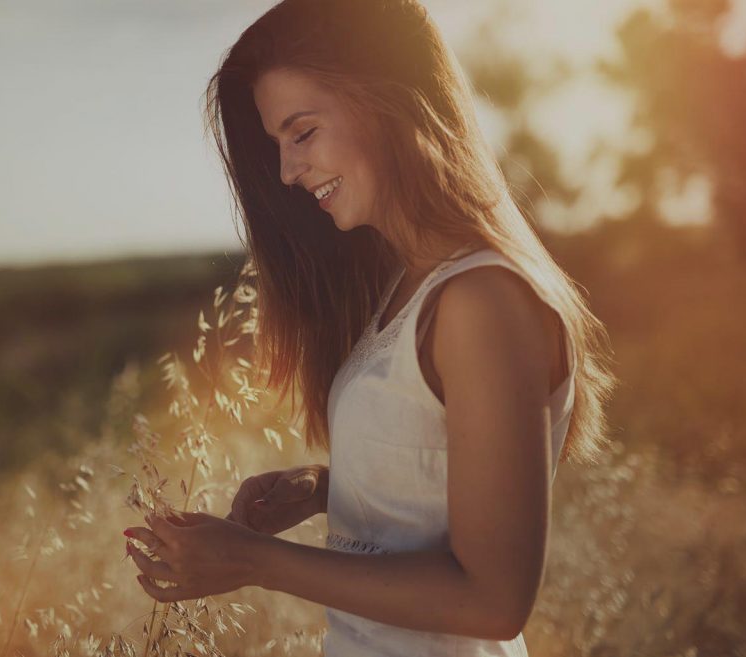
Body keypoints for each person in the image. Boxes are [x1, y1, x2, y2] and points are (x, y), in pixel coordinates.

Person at [122, 0, 618, 654]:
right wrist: (328, 489)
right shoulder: (405, 288)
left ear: (391, 101)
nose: (286, 173)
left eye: (302, 133)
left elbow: (494, 600)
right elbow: (442, 487)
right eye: (277, 145)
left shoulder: (480, 300)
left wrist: (254, 561)